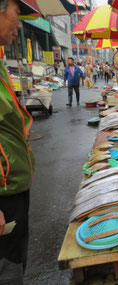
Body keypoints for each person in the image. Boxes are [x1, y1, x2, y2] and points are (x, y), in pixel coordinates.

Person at [0, 0, 37, 283]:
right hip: (3, 195)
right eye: (16, 13)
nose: (19, 24)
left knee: (15, 258)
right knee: (7, 266)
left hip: (13, 186)